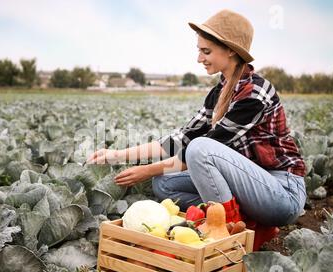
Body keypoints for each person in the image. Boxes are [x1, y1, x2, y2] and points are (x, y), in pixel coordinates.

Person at [87, 9, 307, 250]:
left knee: (200, 148)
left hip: (281, 193)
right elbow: (180, 139)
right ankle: (247, 223)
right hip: (249, 185)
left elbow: (204, 147)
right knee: (164, 184)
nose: (199, 59)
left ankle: (226, 237)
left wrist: (147, 169)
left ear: (231, 50)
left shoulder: (254, 93)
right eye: (199, 51)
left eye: (206, 51)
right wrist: (117, 154)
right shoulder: (219, 92)